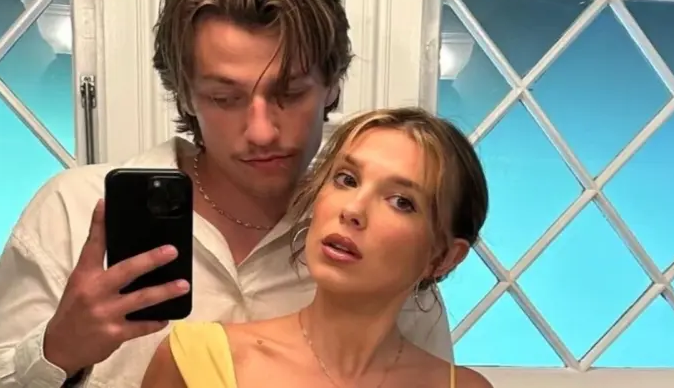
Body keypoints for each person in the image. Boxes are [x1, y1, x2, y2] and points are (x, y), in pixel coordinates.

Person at [0, 0, 454, 388]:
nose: (262, 131)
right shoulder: (73, 213)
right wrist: (56, 352)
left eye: (289, 92)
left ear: (333, 86)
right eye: (224, 98)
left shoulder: (380, 248)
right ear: (185, 96)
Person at [141, 107, 492, 388]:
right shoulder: (193, 362)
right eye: (346, 179)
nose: (353, 209)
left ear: (443, 257)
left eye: (401, 201)